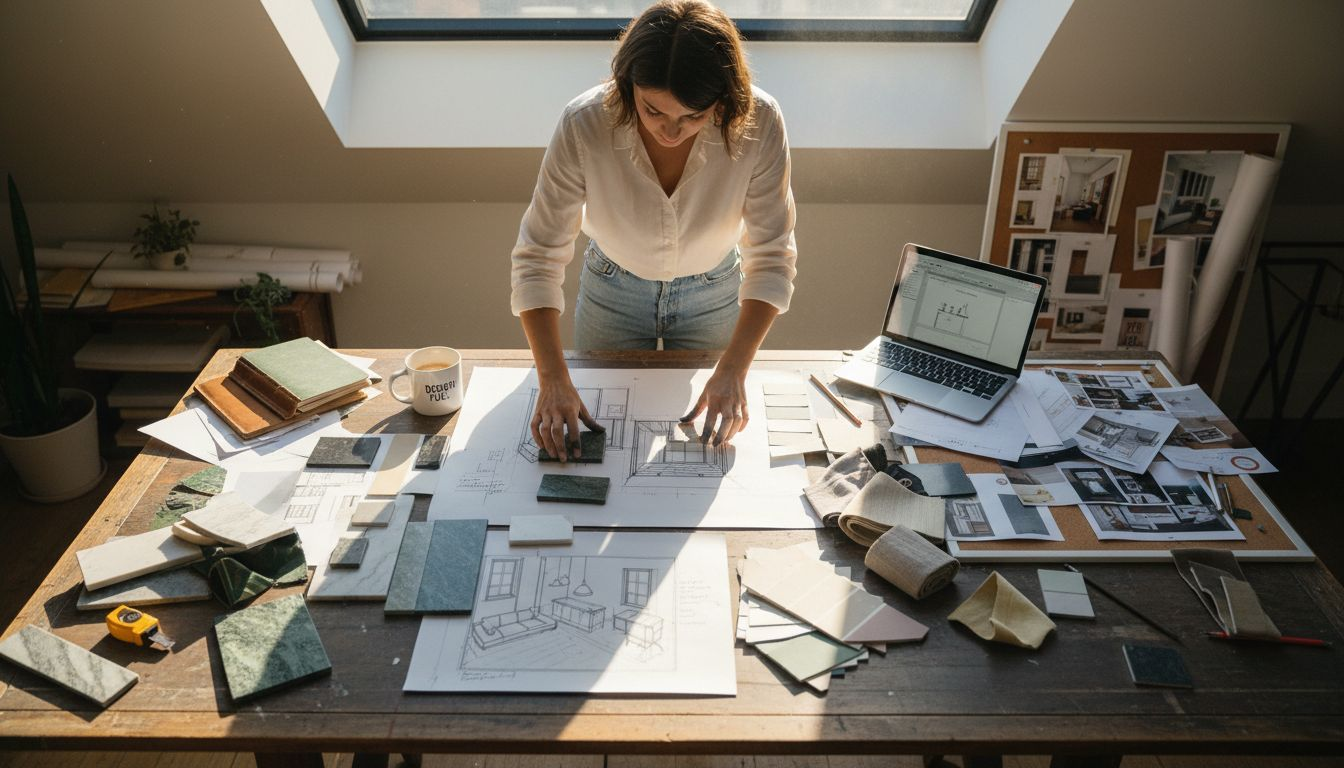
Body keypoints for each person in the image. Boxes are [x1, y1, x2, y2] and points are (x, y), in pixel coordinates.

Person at [510, 0, 798, 463]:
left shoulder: (760, 121)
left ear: (723, 100)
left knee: (709, 438)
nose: (671, 130)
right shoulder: (584, 123)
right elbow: (538, 255)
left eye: (693, 116)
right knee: (604, 441)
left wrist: (736, 370)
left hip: (715, 290)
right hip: (611, 289)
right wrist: (552, 379)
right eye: (653, 110)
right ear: (627, 86)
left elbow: (773, 254)